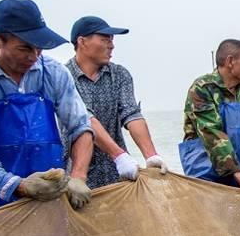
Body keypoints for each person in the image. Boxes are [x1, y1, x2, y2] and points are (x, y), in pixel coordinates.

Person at [0, 0, 94, 219]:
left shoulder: (54, 73)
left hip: (50, 203)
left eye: (39, 48)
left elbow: (80, 127)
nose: (34, 56)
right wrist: (20, 186)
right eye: (24, 48)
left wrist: (78, 177)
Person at [66, 16, 167, 189]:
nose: (111, 45)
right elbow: (85, 119)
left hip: (118, 175)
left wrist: (151, 156)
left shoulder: (119, 75)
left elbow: (131, 114)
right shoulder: (64, 77)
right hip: (77, 177)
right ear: (82, 42)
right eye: (105, 39)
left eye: (112, 40)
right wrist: (119, 156)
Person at [179, 39, 240, 191]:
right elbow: (212, 133)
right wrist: (238, 175)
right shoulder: (203, 89)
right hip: (206, 168)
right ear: (230, 61)